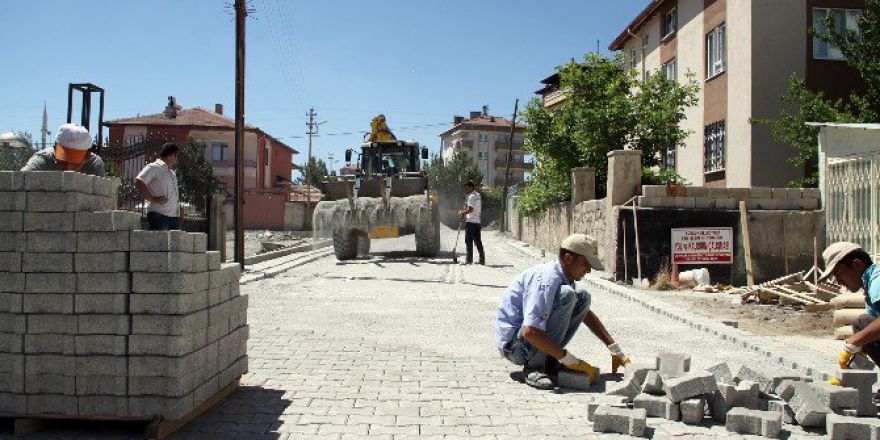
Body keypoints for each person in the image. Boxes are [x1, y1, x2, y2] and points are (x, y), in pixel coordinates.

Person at [495, 234, 631, 389]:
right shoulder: (547, 281)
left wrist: (613, 348)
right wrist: (570, 360)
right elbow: (529, 332)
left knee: (582, 297)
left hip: (527, 340)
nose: (588, 270)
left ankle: (550, 360)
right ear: (568, 259)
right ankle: (535, 367)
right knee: (568, 295)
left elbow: (585, 313)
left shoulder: (564, 276)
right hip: (515, 348)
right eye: (585, 264)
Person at [822, 242, 880, 369]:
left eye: (839, 274)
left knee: (862, 329)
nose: (839, 282)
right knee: (862, 323)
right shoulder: (870, 287)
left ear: (857, 265)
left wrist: (854, 341)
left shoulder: (877, 283)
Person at [21, 123, 105, 176]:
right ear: (55, 150)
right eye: (62, 161)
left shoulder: (94, 165)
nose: (67, 169)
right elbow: (20, 180)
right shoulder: (43, 159)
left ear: (88, 158)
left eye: (74, 164)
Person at [136, 142, 181, 230]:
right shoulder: (154, 167)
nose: (176, 159)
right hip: (158, 216)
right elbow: (139, 181)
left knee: (174, 244)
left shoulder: (172, 173)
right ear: (170, 155)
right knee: (159, 243)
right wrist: (152, 199)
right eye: (176, 156)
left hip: (174, 217)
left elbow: (174, 194)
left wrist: (179, 209)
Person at [458, 180, 484, 265]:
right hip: (477, 222)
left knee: (468, 241)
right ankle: (482, 259)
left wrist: (462, 212)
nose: (465, 190)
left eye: (466, 188)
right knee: (478, 241)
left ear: (471, 187)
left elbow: (470, 209)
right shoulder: (478, 195)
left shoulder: (471, 196)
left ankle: (469, 260)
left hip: (471, 222)